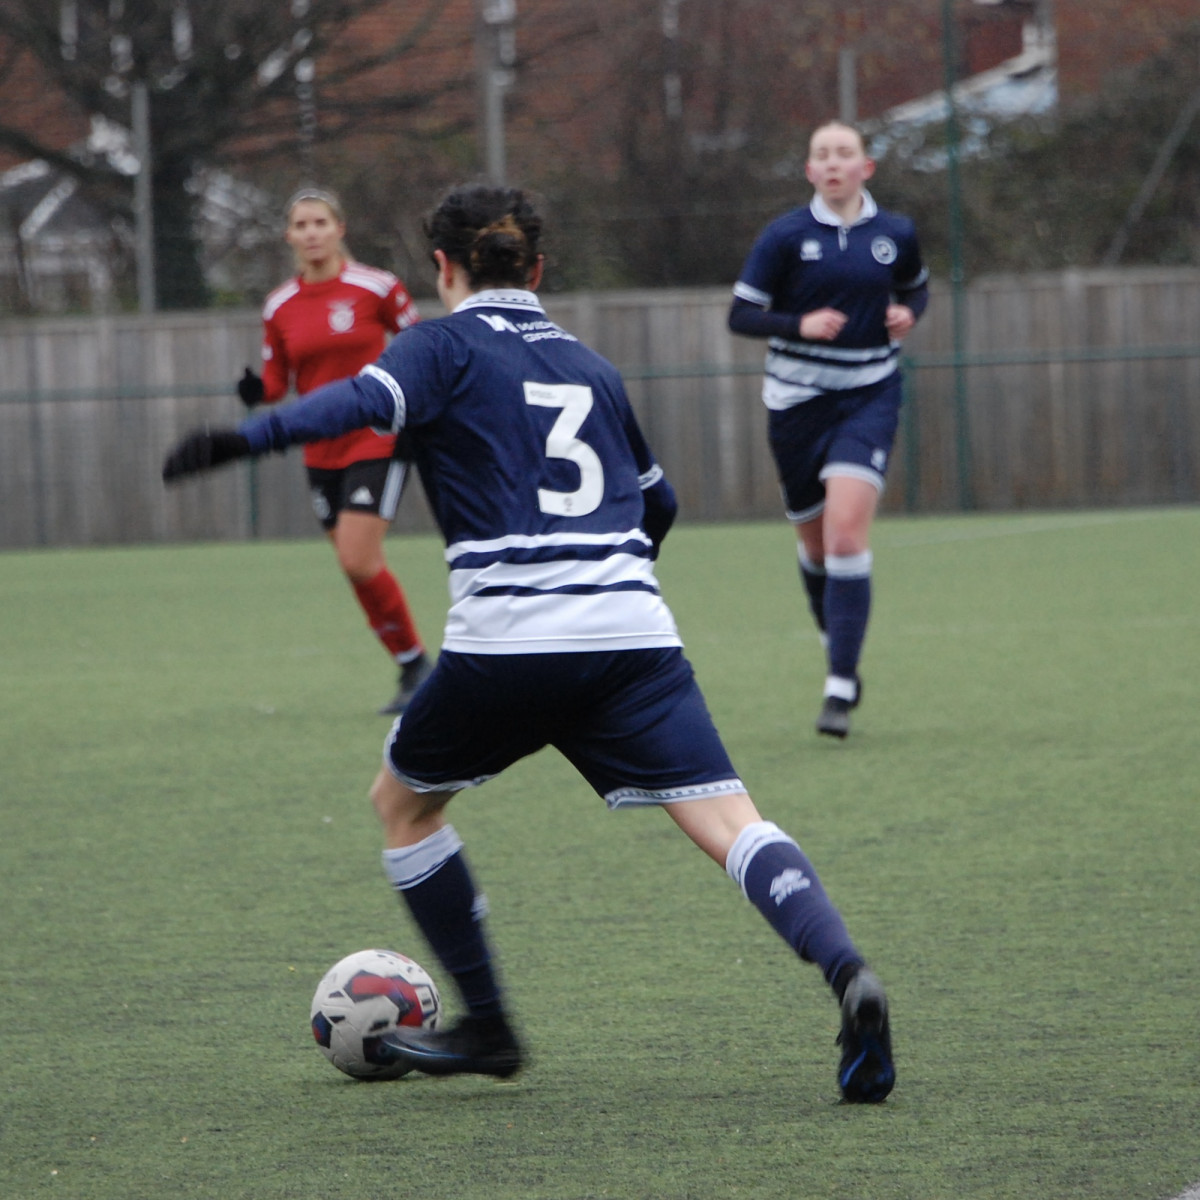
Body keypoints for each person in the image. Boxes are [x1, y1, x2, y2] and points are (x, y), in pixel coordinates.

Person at [163, 184, 896, 1104]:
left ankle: (491, 1024)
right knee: (729, 822)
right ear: (538, 270)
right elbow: (659, 503)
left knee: (404, 806)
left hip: (508, 641)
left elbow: (351, 403)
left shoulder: (436, 345)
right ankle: (845, 971)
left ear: (442, 269)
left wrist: (242, 440)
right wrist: (607, 587)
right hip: (634, 638)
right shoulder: (593, 366)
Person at [728, 121, 929, 739]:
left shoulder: (895, 233)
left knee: (845, 537)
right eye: (822, 155)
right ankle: (835, 638)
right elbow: (741, 315)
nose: (834, 163)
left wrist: (906, 314)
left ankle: (840, 684)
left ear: (866, 167)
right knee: (815, 547)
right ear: (810, 171)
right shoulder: (785, 236)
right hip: (796, 402)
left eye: (845, 153)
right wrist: (798, 323)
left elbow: (916, 293)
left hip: (869, 393)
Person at [239, 187, 432, 715]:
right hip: (319, 448)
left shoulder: (376, 288)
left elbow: (420, 348)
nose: (311, 233)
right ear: (289, 236)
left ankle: (421, 668)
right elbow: (279, 380)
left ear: (339, 228)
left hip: (377, 435)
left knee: (358, 556)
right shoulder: (280, 304)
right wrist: (258, 391)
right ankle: (412, 663)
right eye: (301, 225)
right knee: (354, 567)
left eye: (320, 222)